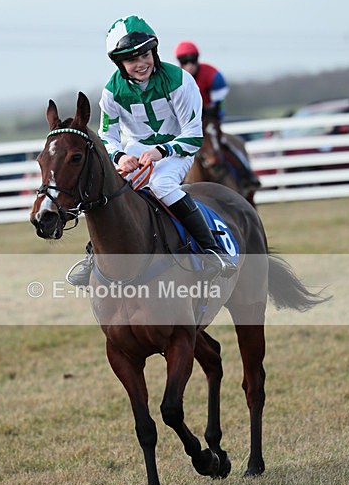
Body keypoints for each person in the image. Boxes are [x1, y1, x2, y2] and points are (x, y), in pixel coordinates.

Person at [67, 16, 237, 287]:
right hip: (134, 153)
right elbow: (107, 136)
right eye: (131, 59)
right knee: (110, 192)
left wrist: (162, 150)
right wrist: (121, 157)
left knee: (161, 184)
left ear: (154, 52)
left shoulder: (179, 80)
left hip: (176, 150)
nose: (140, 63)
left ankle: (212, 250)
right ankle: (92, 258)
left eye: (145, 54)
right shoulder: (112, 92)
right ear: (119, 64)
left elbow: (193, 135)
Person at [174, 41, 261, 189]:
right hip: (187, 123)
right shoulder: (175, 79)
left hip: (210, 118)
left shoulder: (212, 75)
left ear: (197, 59)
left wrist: (209, 112)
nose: (189, 65)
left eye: (192, 60)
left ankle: (247, 174)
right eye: (184, 62)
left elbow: (217, 103)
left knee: (226, 145)